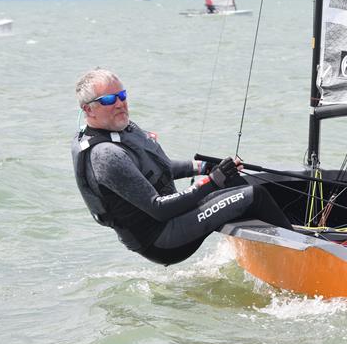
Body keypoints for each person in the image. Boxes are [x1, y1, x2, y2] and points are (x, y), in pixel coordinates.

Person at [70, 68, 292, 266]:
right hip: (161, 239)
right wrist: (213, 181)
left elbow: (161, 169)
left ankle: (274, 245)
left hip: (171, 220)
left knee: (243, 183)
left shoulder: (119, 130)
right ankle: (298, 251)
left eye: (122, 95)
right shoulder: (106, 154)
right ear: (88, 110)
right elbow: (159, 208)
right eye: (108, 99)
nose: (119, 103)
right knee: (255, 195)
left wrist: (206, 167)